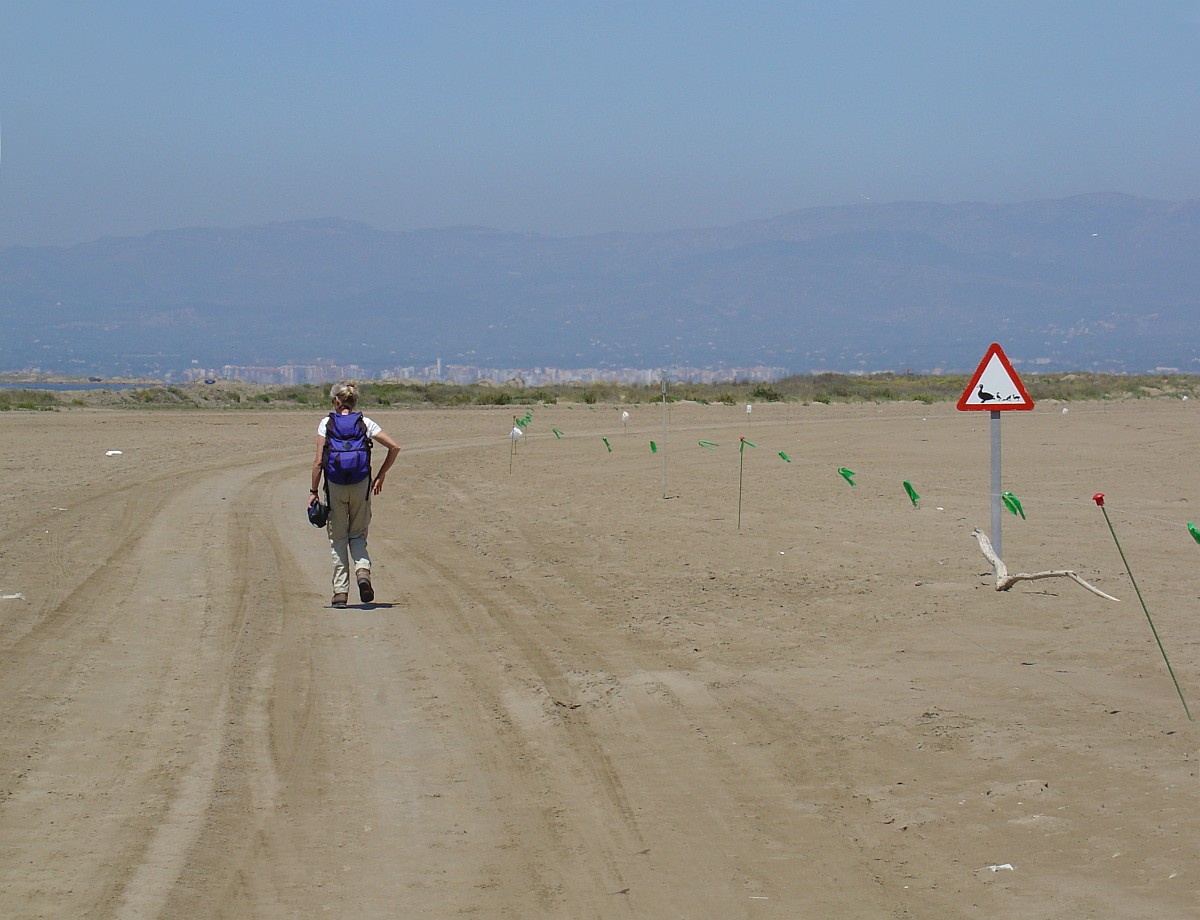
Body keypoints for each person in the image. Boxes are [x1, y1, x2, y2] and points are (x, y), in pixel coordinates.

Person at [308, 381, 401, 608]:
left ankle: (340, 592)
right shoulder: (365, 423)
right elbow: (394, 447)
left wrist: (313, 491)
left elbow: (319, 462)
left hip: (335, 486)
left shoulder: (326, 424)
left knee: (338, 537)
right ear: (354, 402)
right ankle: (363, 572)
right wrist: (380, 475)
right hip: (361, 486)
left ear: (335, 402)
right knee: (357, 534)